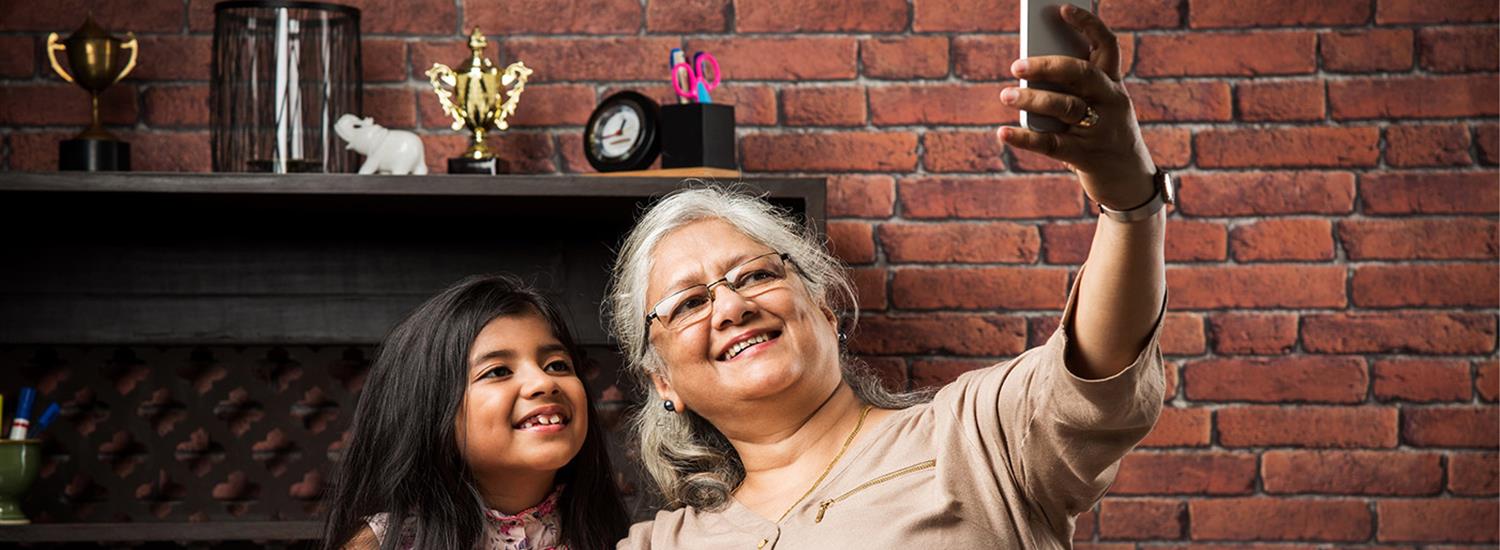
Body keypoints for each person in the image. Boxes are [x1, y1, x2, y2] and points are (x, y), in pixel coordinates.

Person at [608, 6, 1166, 548]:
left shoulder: (977, 437)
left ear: (824, 310)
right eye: (687, 304)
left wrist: (1128, 200)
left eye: (754, 275)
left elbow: (1098, 364)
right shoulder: (663, 543)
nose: (731, 308)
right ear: (663, 381)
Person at [321, 274, 630, 550]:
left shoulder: (621, 541)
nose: (543, 382)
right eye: (498, 371)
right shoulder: (382, 544)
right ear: (432, 410)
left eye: (557, 365)